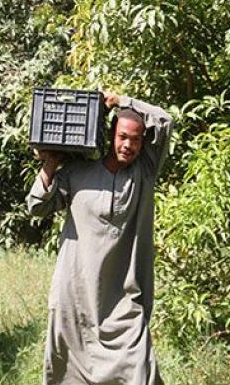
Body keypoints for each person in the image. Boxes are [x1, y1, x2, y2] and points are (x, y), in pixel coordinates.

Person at [26, 90, 173, 385]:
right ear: (111, 136)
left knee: (140, 371)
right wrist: (50, 164)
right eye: (122, 137)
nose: (128, 145)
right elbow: (37, 207)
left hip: (122, 301)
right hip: (74, 297)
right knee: (67, 375)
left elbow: (164, 120)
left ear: (143, 142)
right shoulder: (77, 172)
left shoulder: (144, 173)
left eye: (135, 139)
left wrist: (121, 101)